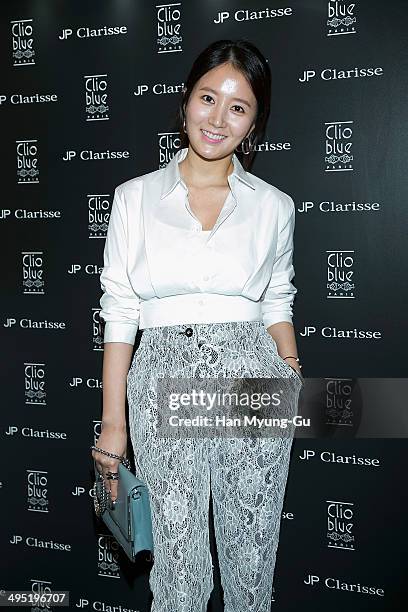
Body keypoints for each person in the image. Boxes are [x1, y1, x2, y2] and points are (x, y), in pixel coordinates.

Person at [92, 39, 304, 612]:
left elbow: (277, 297)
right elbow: (120, 312)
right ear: (185, 103)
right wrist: (114, 426)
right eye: (208, 98)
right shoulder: (134, 198)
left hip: (254, 382)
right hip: (164, 377)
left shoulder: (274, 206)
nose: (217, 118)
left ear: (254, 121)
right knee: (179, 566)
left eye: (238, 107)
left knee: (251, 555)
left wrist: (287, 367)